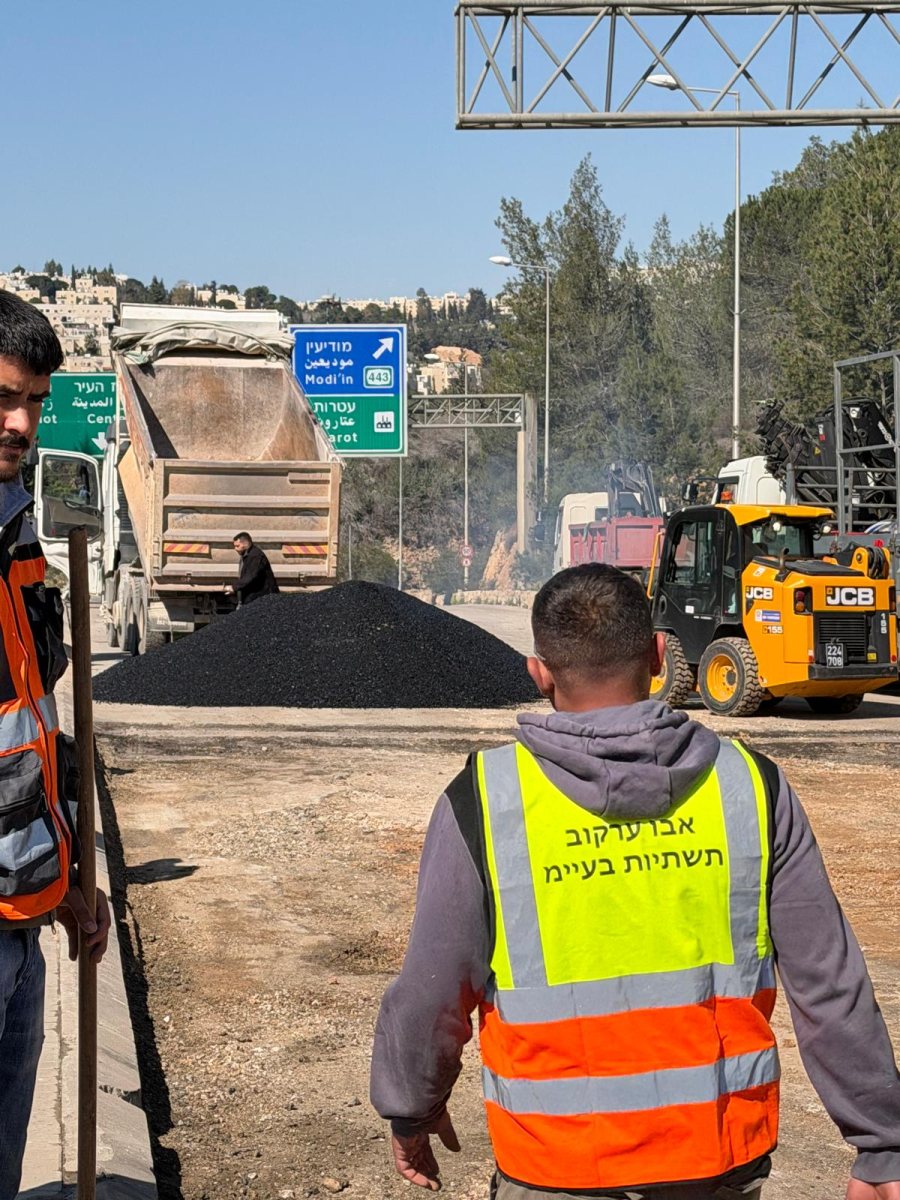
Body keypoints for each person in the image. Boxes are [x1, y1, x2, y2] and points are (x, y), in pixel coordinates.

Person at [371, 563, 900, 1200]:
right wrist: (882, 1143)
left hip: (557, 1164)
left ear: (539, 672)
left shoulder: (486, 802)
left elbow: (433, 987)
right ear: (656, 655)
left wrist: (411, 1105)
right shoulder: (749, 787)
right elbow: (829, 979)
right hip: (714, 1161)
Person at [0, 290, 111, 1200]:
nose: (20, 421)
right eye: (3, 395)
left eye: (34, 401)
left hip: (18, 907)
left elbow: (34, 729)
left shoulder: (15, 522)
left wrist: (70, 879)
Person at [224, 531, 279, 606]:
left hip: (264, 598)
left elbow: (250, 575)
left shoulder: (256, 556)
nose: (235, 549)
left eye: (237, 546)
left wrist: (234, 587)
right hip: (256, 596)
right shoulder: (247, 555)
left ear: (245, 544)